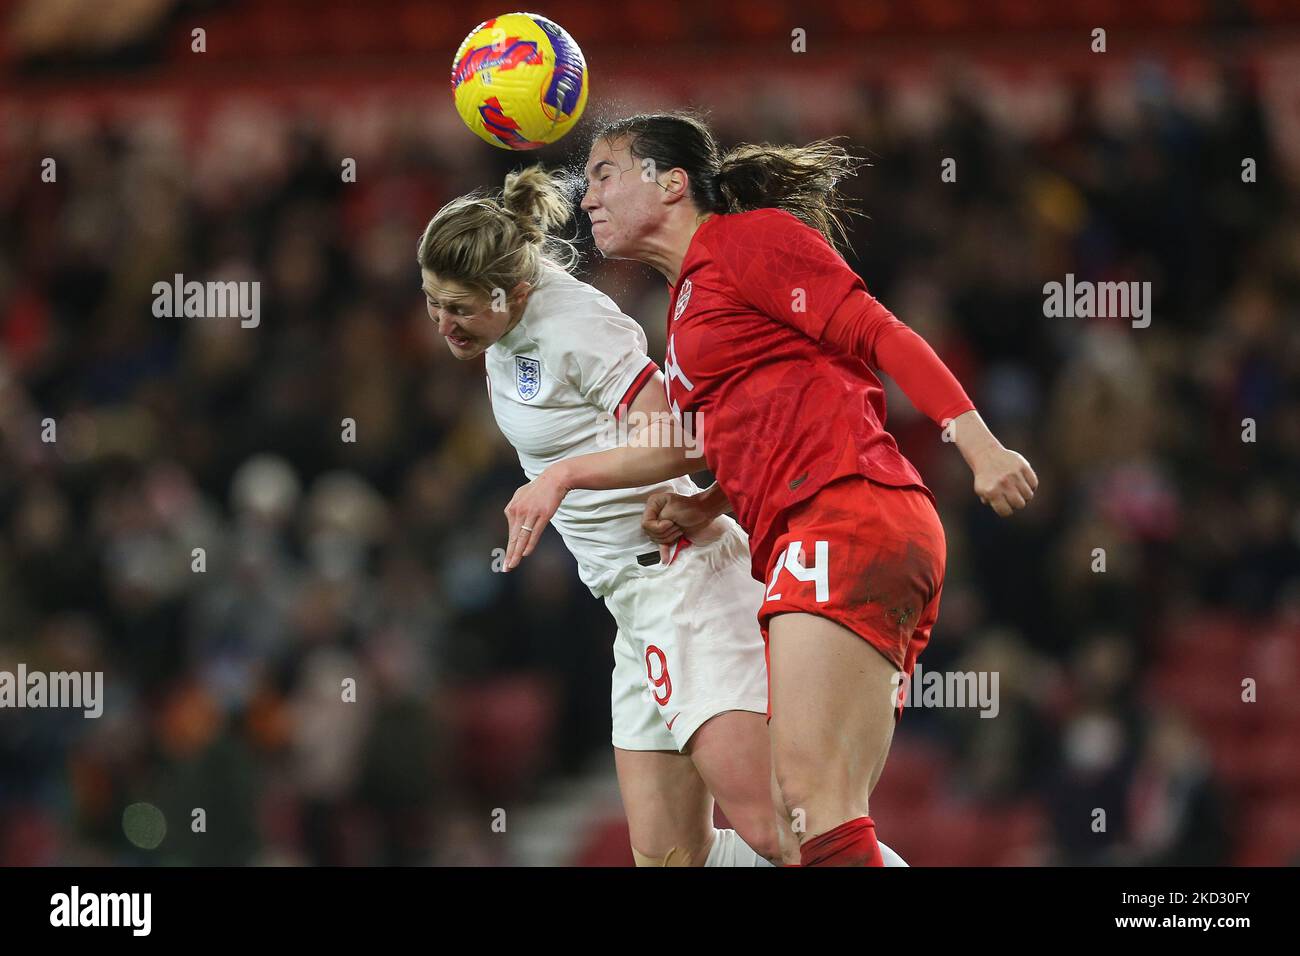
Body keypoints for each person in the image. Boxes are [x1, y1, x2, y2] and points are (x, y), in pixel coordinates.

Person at [505, 112, 1037, 866]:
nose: (585, 196)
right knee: (810, 812)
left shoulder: (747, 241)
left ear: (671, 182)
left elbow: (878, 333)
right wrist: (706, 501)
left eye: (603, 174)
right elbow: (739, 428)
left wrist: (978, 444)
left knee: (810, 805)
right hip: (816, 528)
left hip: (845, 512)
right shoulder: (687, 310)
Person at [417, 165, 788, 866]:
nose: (444, 324)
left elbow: (680, 441)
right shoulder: (507, 312)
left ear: (517, 293)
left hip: (688, 586)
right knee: (671, 858)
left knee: (777, 829)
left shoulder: (574, 329)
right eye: (434, 302)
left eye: (460, 308)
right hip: (635, 601)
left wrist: (562, 477)